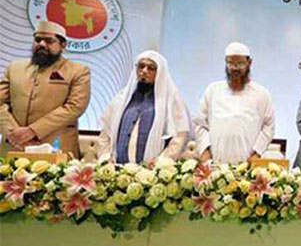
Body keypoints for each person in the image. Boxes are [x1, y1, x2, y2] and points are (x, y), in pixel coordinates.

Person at [0, 20, 91, 158]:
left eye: (49, 41)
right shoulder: (14, 68)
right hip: (13, 146)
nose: (42, 44)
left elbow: (75, 107)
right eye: (38, 40)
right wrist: (12, 132)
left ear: (63, 45)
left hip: (56, 148)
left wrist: (33, 131)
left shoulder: (78, 71)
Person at [96, 50, 191, 164]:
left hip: (152, 171)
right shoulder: (121, 99)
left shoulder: (171, 100)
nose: (144, 71)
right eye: (141, 66)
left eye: (151, 68)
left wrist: (162, 163)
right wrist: (106, 159)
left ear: (160, 73)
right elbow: (105, 133)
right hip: (118, 169)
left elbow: (180, 136)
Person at [194, 42, 274, 164]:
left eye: (240, 64)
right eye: (231, 63)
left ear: (249, 63)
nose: (235, 68)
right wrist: (205, 152)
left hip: (247, 166)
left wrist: (257, 153)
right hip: (216, 165)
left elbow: (268, 126)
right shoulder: (213, 90)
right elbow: (199, 124)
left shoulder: (262, 94)